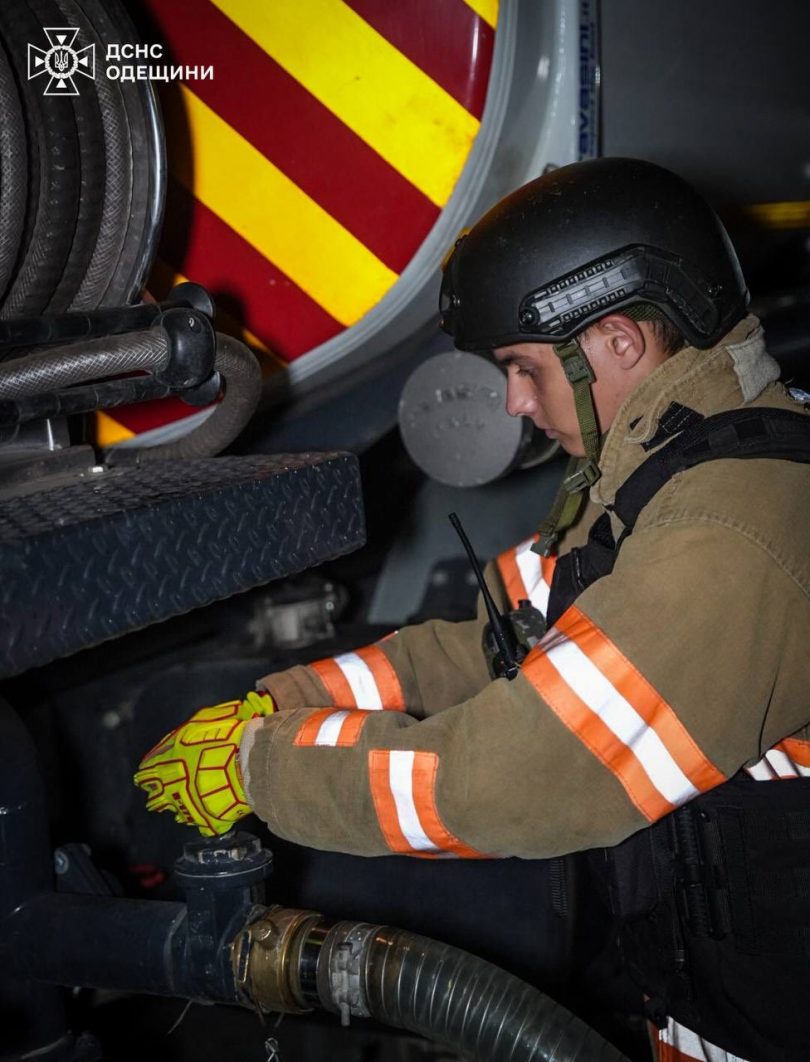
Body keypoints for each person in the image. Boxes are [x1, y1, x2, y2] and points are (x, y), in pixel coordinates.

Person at [134, 158, 810, 1062]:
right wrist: (279, 701)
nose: (517, 403)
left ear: (617, 341)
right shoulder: (662, 479)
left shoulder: (729, 532)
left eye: (524, 368)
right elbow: (493, 642)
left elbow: (518, 776)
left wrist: (266, 770)